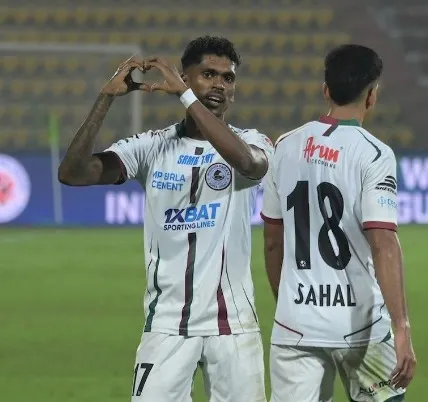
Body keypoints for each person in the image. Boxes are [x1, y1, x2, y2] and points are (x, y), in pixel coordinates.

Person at [58, 36, 271, 402]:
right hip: (167, 325)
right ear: (183, 78)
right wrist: (105, 98)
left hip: (233, 326)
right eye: (208, 74)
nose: (220, 85)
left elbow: (250, 165)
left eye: (228, 78)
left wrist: (187, 98)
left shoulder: (252, 141)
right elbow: (73, 173)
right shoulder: (152, 146)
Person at [260, 44, 416, 402]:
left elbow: (272, 241)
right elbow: (383, 243)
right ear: (372, 96)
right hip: (361, 325)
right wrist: (402, 326)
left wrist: (289, 304)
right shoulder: (374, 154)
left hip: (295, 325)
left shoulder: (284, 146)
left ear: (325, 90)